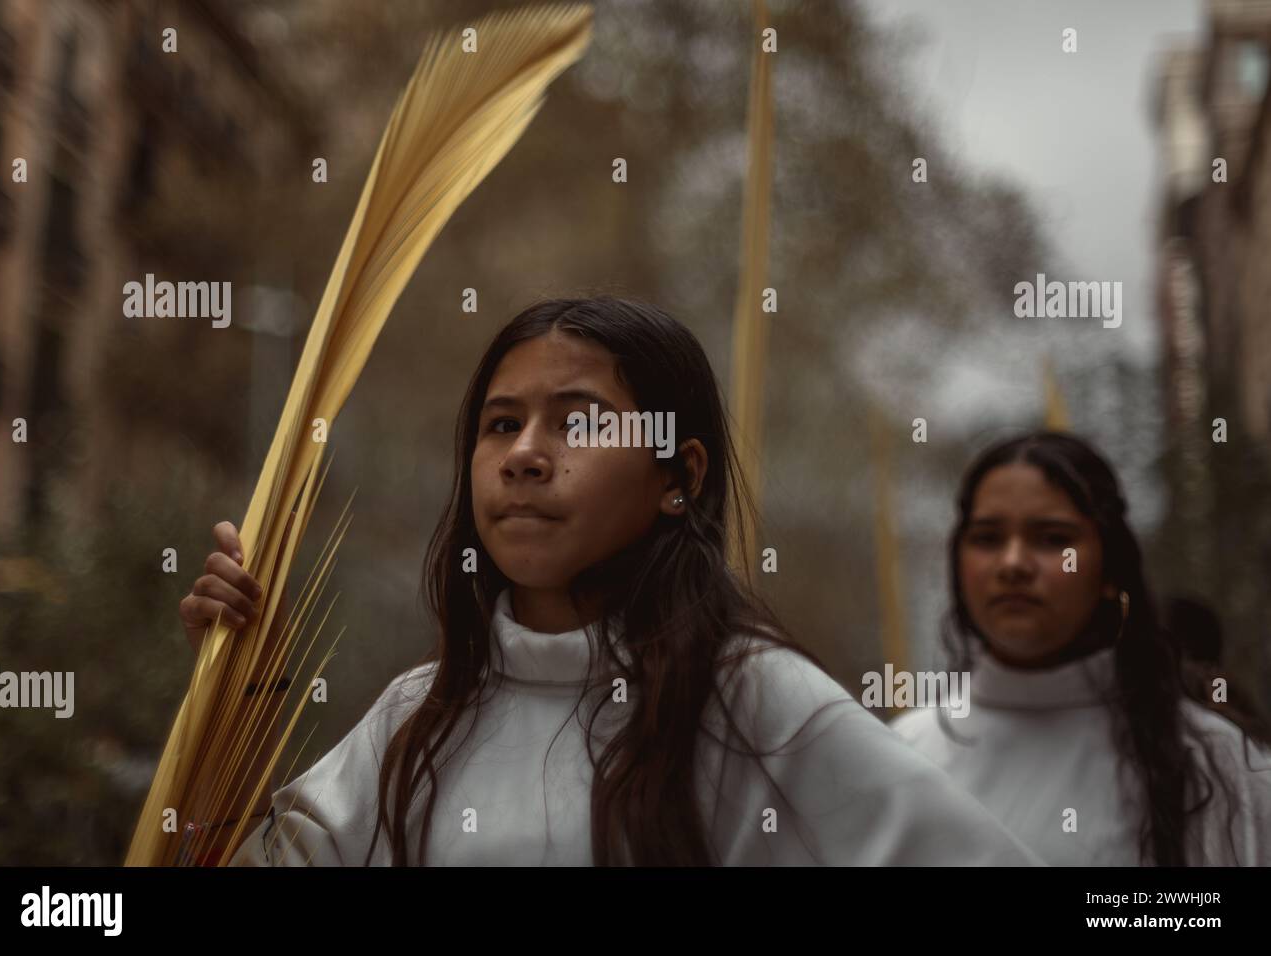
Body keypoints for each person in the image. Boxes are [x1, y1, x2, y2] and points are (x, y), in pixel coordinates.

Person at [181, 295, 1036, 866]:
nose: (523, 455)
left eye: (578, 421)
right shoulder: (415, 717)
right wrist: (236, 696)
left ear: (681, 475)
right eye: (502, 423)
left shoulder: (759, 706)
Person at [892, 431, 1271, 865]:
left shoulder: (1214, 763)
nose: (1013, 563)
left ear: (1110, 569)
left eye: (1052, 539)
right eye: (988, 538)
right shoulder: (903, 755)